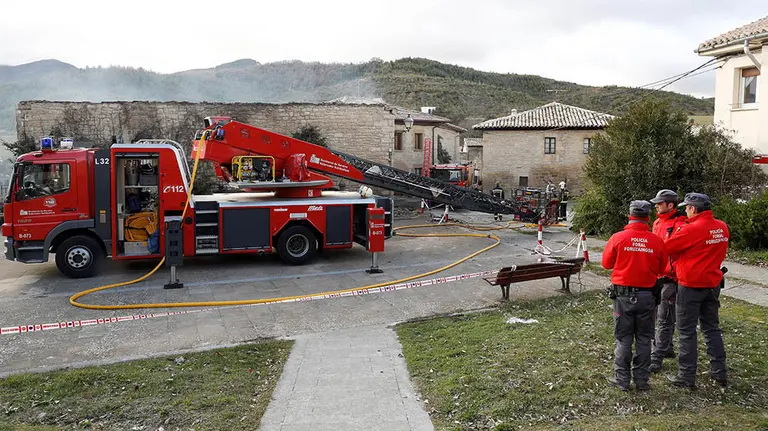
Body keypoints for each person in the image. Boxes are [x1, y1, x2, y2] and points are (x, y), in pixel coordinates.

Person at [664, 193, 729, 389]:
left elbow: (666, 248)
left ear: (693, 208)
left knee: (686, 331)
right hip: (712, 284)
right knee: (712, 328)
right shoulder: (722, 227)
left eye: (687, 208)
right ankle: (720, 372)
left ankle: (686, 377)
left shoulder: (691, 229)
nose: (685, 211)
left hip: (691, 286)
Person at [602, 200, 668, 391]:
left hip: (623, 297)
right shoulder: (656, 241)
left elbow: (606, 264)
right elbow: (663, 268)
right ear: (648, 218)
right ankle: (642, 380)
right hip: (647, 296)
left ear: (630, 216)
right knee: (644, 338)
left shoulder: (618, 238)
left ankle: (622, 379)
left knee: (623, 339)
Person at [648, 189, 688, 373]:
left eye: (659, 203)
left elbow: (670, 249)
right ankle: (667, 348)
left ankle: (656, 358)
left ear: (670, 205)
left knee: (664, 318)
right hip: (658, 276)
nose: (656, 205)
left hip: (672, 278)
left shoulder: (681, 224)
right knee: (660, 315)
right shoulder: (657, 222)